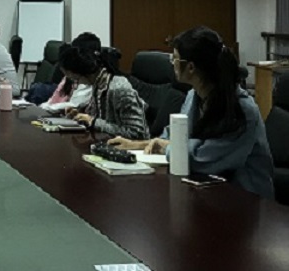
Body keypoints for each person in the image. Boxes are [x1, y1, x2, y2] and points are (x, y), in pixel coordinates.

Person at [108, 26, 274, 199]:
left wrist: (167, 147)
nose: (171, 63)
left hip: (245, 198)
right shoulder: (194, 95)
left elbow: (205, 158)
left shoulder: (242, 109)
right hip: (206, 190)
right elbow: (175, 136)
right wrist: (138, 145)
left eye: (174, 58)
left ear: (191, 67)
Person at [59, 36, 149, 139]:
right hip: (106, 142)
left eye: (76, 79)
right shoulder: (98, 84)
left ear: (84, 72)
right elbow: (100, 119)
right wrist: (80, 114)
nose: (76, 84)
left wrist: (93, 121)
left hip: (128, 147)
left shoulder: (119, 89)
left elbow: (137, 134)